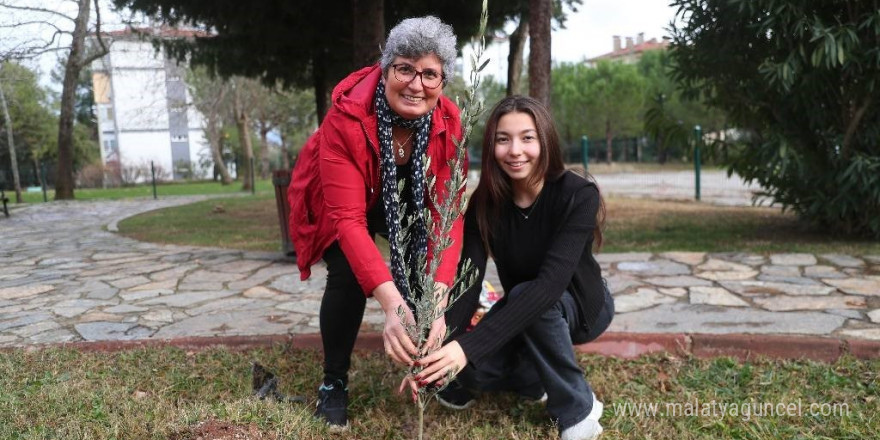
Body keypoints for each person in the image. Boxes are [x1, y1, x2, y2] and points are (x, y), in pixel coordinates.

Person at [286, 16, 464, 429]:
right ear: (386, 69)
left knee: (430, 263)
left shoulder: (451, 124)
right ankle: (334, 382)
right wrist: (392, 305)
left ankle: (431, 364)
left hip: (407, 197)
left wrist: (436, 302)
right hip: (348, 197)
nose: (416, 84)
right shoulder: (346, 117)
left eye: (430, 74)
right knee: (348, 271)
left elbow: (447, 219)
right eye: (405, 68)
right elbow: (347, 219)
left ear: (443, 82)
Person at [410, 96, 615, 440]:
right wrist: (443, 342)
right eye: (503, 139)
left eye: (527, 138)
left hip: (581, 308)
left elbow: (549, 287)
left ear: (545, 141)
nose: (515, 150)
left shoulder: (578, 195)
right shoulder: (485, 204)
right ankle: (532, 377)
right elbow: (469, 281)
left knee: (524, 302)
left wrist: (467, 349)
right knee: (469, 373)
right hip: (524, 311)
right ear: (492, 146)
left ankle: (578, 409)